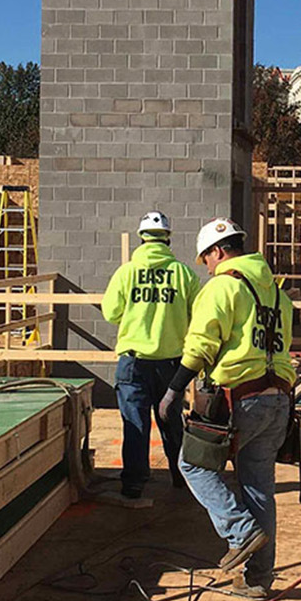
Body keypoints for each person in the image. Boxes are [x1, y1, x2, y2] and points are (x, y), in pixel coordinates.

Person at [158, 218, 295, 599]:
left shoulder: (224, 286)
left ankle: (239, 530)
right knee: (259, 487)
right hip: (278, 400)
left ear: (218, 251)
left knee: (192, 464)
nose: (207, 267)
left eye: (206, 260)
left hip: (238, 399)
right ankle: (257, 579)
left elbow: (201, 344)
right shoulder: (276, 293)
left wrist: (173, 391)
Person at [98, 211, 199, 507]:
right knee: (171, 421)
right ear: (168, 238)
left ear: (142, 238)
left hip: (134, 362)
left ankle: (134, 484)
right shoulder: (184, 274)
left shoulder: (126, 272)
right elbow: (198, 316)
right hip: (171, 363)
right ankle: (183, 477)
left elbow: (111, 313)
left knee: (135, 422)